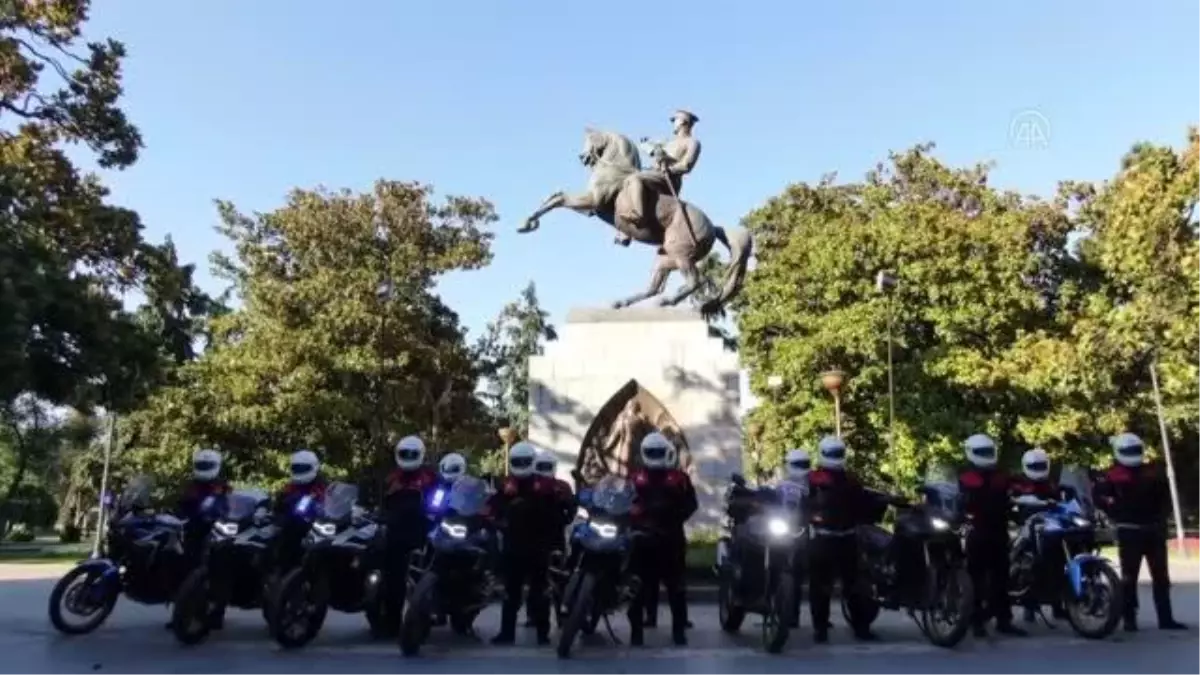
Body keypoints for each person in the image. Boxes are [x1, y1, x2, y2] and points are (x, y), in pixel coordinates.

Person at [1095, 432, 1187, 632]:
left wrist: (1161, 519)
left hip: (1150, 530)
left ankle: (1164, 618)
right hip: (1131, 530)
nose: (1132, 454)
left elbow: (1165, 499)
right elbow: (1100, 499)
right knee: (1129, 578)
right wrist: (1116, 513)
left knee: (1160, 577)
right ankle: (1130, 618)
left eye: (1134, 450)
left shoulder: (1151, 472)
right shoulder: (1112, 475)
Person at [487, 441, 563, 645]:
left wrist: (552, 539)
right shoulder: (506, 485)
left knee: (540, 592)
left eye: (524, 461)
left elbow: (557, 514)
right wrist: (491, 518)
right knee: (511, 592)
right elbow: (492, 506)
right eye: (517, 461)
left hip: (537, 546)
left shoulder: (546, 487)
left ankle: (542, 633)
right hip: (514, 545)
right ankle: (507, 633)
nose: (521, 464)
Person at [628, 432, 697, 647]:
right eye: (652, 452)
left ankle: (678, 630)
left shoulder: (679, 479)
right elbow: (624, 501)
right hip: (642, 539)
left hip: (670, 538)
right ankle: (637, 633)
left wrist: (674, 518)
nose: (655, 455)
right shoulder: (635, 478)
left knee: (676, 587)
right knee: (638, 588)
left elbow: (691, 504)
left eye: (658, 452)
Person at [806, 436, 875, 643]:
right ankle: (853, 628)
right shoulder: (832, 479)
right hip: (834, 538)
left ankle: (826, 629)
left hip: (833, 539)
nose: (836, 457)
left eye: (838, 453)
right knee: (837, 586)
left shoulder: (821, 478)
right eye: (834, 453)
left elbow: (864, 503)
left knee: (843, 586)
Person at [958, 434, 1026, 638]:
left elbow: (1018, 488)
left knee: (1002, 578)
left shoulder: (1001, 476)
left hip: (998, 530)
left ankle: (1003, 620)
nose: (986, 456)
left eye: (988, 452)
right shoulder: (966, 478)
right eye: (981, 453)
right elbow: (959, 501)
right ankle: (976, 620)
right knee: (976, 578)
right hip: (978, 531)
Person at [167, 448, 231, 630]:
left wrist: (219, 517)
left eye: (207, 465)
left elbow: (225, 508)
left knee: (220, 567)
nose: (204, 468)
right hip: (192, 532)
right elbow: (180, 505)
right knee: (182, 568)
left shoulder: (220, 487)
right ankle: (181, 613)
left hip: (216, 533)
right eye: (201, 465)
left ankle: (217, 612)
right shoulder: (191, 486)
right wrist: (177, 514)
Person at [381, 435, 439, 627]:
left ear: (420, 455)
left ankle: (425, 617)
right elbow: (379, 500)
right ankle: (390, 622)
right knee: (392, 579)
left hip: (422, 532)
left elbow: (440, 499)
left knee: (424, 575)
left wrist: (435, 512)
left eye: (412, 454)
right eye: (404, 453)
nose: (408, 457)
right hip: (395, 533)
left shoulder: (430, 477)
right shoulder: (390, 478)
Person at [618, 109, 702, 242]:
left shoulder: (692, 143)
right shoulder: (668, 142)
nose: (674, 123)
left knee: (635, 179)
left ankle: (639, 216)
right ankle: (626, 230)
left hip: (669, 179)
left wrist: (669, 167)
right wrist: (647, 146)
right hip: (655, 174)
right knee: (628, 176)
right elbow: (655, 152)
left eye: (675, 120)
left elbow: (686, 166)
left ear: (684, 122)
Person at [1009, 448, 1065, 622]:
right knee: (1027, 559)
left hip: (1051, 527)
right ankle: (1028, 605)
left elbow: (1062, 498)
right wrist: (1019, 500)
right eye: (1035, 465)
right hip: (1024, 526)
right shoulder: (1018, 483)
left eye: (1041, 465)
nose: (1038, 468)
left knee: (1058, 561)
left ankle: (1058, 605)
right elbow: (1010, 498)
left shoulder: (1051, 483)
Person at [524, 449, 576, 628]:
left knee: (557, 578)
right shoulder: (531, 486)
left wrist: (563, 519)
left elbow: (571, 508)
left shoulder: (562, 487)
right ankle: (533, 616)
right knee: (536, 580)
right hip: (536, 537)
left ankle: (559, 615)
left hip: (553, 537)